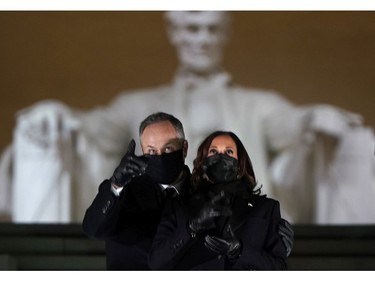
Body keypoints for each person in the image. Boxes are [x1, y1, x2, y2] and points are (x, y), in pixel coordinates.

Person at [1, 11, 373, 224]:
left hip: (239, 218)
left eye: (212, 30)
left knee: (352, 138)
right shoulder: (139, 103)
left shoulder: (256, 104)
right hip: (163, 221)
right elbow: (92, 128)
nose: (202, 39)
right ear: (175, 34)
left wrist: (315, 116)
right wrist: (57, 112)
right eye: (193, 29)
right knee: (42, 127)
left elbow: (293, 125)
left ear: (224, 35)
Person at [82, 112, 294, 270]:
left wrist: (271, 245)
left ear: (184, 149)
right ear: (142, 151)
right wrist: (116, 185)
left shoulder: (205, 194)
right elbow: (94, 229)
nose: (160, 156)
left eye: (168, 149)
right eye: (151, 151)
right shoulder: (125, 190)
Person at [149, 131, 287, 270]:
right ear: (203, 164)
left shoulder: (266, 208)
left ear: (240, 164)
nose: (221, 157)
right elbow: (156, 261)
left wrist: (240, 251)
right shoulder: (178, 205)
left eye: (228, 152)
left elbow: (279, 268)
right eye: (213, 152)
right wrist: (192, 226)